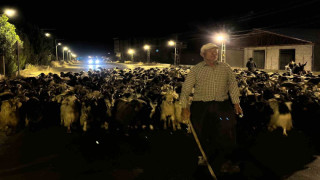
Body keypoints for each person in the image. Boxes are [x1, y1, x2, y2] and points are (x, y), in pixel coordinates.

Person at [180, 43, 243, 177]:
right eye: (211, 52)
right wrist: (184, 107)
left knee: (228, 131)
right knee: (203, 132)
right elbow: (186, 88)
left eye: (216, 52)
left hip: (222, 105)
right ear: (203, 54)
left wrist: (236, 103)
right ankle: (203, 156)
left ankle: (228, 161)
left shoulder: (225, 67)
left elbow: (232, 84)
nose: (215, 54)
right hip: (201, 106)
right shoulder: (196, 69)